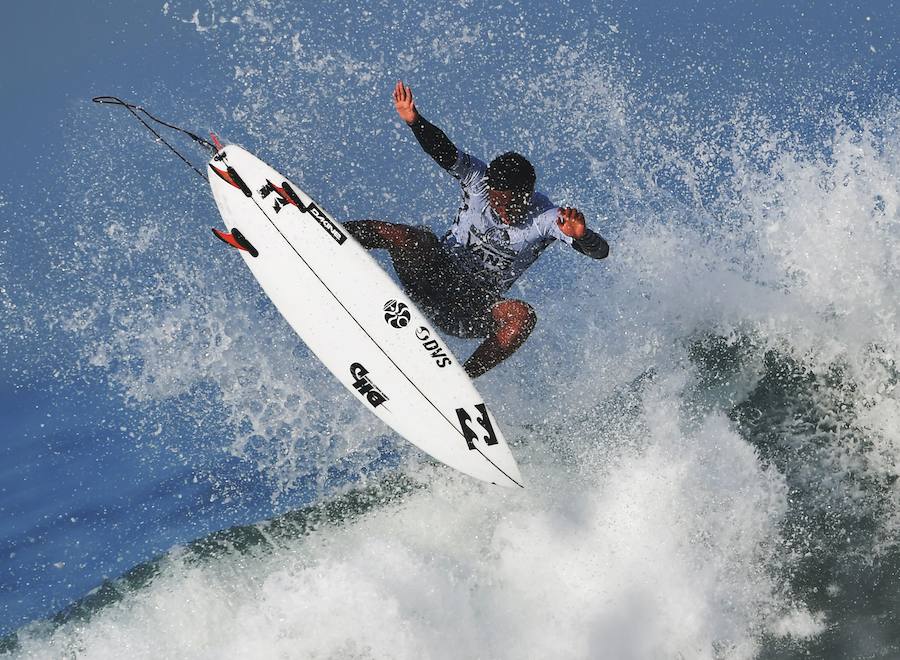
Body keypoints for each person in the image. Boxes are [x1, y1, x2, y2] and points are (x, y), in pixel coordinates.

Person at [343, 81, 609, 378]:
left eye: (509, 205)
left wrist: (582, 236)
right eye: (495, 203)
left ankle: (457, 381)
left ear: (527, 194)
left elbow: (601, 252)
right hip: (433, 276)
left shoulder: (548, 218)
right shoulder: (479, 181)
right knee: (413, 237)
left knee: (521, 317)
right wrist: (415, 121)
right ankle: (330, 234)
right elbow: (444, 151)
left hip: (470, 308)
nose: (501, 211)